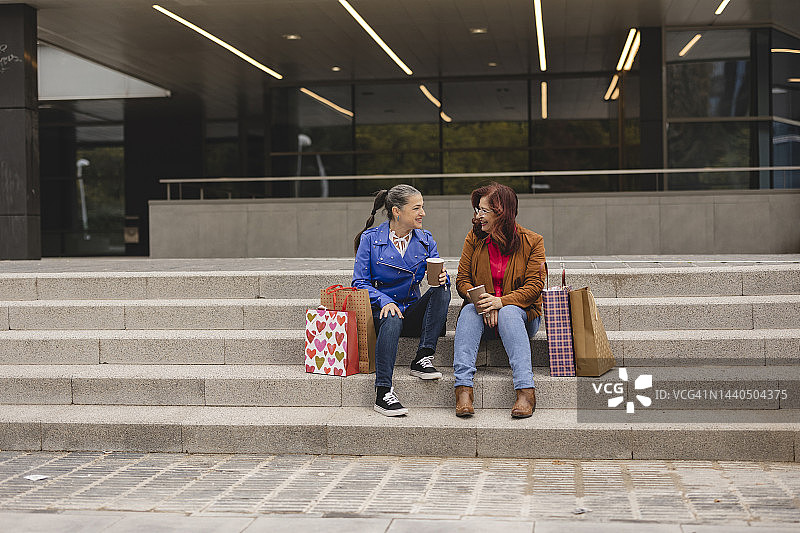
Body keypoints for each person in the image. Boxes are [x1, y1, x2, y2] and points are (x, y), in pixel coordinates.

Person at [352, 184, 451, 417]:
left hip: (412, 311)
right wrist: (384, 300)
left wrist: (442, 278)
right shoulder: (370, 239)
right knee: (392, 316)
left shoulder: (426, 239)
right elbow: (359, 282)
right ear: (397, 211)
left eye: (422, 207)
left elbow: (437, 275)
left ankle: (423, 357)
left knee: (442, 290)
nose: (423, 213)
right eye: (416, 208)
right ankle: (383, 392)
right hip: (382, 313)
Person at [452, 182, 546, 418]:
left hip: (521, 318)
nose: (478, 216)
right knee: (468, 311)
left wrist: (500, 302)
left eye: (484, 210)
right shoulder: (474, 239)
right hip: (483, 314)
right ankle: (463, 389)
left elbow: (534, 287)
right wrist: (484, 302)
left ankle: (525, 391)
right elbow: (462, 280)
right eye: (478, 210)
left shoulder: (532, 241)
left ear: (501, 212)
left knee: (509, 312)